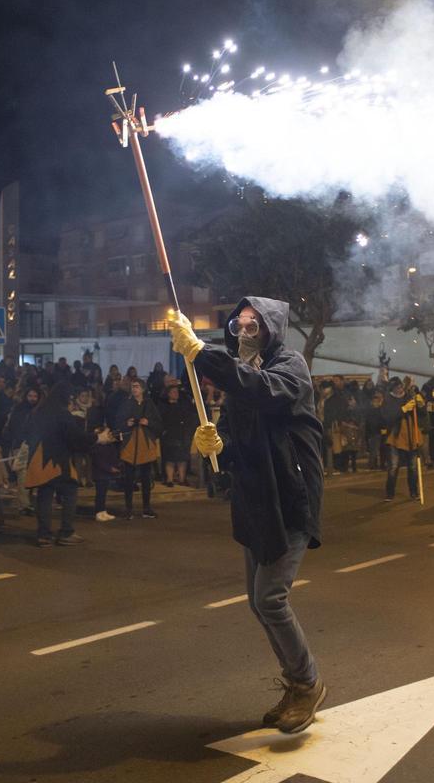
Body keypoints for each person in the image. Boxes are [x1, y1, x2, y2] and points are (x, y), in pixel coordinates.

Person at [169, 297, 327, 735]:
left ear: (272, 328)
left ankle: (308, 682)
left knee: (271, 598)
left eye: (254, 325)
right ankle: (297, 682)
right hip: (257, 498)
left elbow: (263, 391)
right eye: (239, 325)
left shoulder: (289, 366)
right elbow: (245, 445)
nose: (244, 332)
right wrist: (219, 448)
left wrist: (200, 353)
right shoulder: (240, 382)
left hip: (291, 496)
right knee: (258, 602)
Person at [24, 383, 115, 546]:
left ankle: (44, 535)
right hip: (58, 462)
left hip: (39, 461)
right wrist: (97, 438)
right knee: (70, 492)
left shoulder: (38, 412)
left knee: (44, 496)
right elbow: (75, 437)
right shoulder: (63, 415)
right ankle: (66, 532)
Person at [118, 378, 163, 518]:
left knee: (145, 478)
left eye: (136, 386)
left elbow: (159, 424)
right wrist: (127, 423)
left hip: (145, 444)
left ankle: (146, 508)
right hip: (130, 444)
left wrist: (147, 422)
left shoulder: (149, 404)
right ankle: (128, 508)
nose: (134, 389)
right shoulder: (127, 404)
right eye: (133, 387)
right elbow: (118, 421)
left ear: (142, 389)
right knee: (128, 479)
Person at [382, 377, 426, 502]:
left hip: (411, 435)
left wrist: (420, 404)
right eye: (396, 387)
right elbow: (387, 417)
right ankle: (389, 493)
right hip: (395, 436)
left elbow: (421, 414)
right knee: (394, 466)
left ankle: (414, 492)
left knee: (413, 467)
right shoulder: (388, 400)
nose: (399, 389)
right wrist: (403, 409)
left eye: (401, 386)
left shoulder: (409, 396)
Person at [2, 387, 42, 515]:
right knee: (23, 474)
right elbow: (14, 428)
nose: (32, 398)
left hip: (35, 446)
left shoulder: (39, 411)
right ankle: (24, 504)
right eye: (30, 395)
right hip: (21, 445)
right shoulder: (20, 410)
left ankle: (28, 502)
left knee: (31, 474)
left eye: (35, 396)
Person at [158, 382, 196, 486]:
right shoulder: (163, 407)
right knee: (169, 458)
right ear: (168, 394)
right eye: (173, 392)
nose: (176, 394)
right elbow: (162, 420)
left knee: (182, 458)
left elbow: (189, 418)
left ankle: (182, 479)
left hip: (182, 434)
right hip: (169, 435)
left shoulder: (183, 405)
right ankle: (169, 479)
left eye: (177, 392)